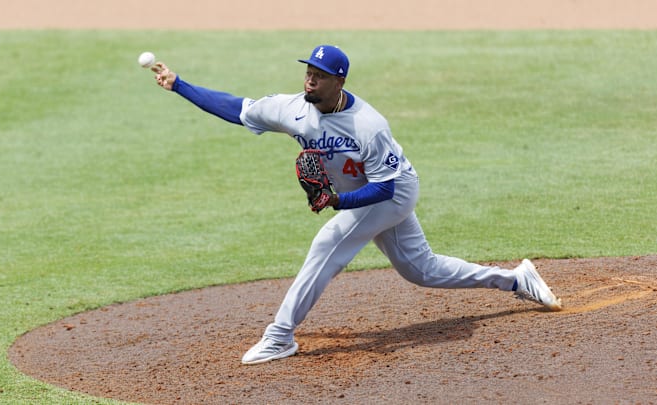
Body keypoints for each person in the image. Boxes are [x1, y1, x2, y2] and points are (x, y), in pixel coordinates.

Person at [151, 45, 562, 365]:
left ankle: (279, 337)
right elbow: (236, 108)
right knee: (421, 269)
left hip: (392, 191)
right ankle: (514, 280)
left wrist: (339, 201)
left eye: (319, 76)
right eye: (308, 72)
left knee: (327, 245)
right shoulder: (293, 109)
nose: (310, 81)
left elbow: (384, 189)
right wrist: (179, 84)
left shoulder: (368, 125)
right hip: (366, 196)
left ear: (339, 81)